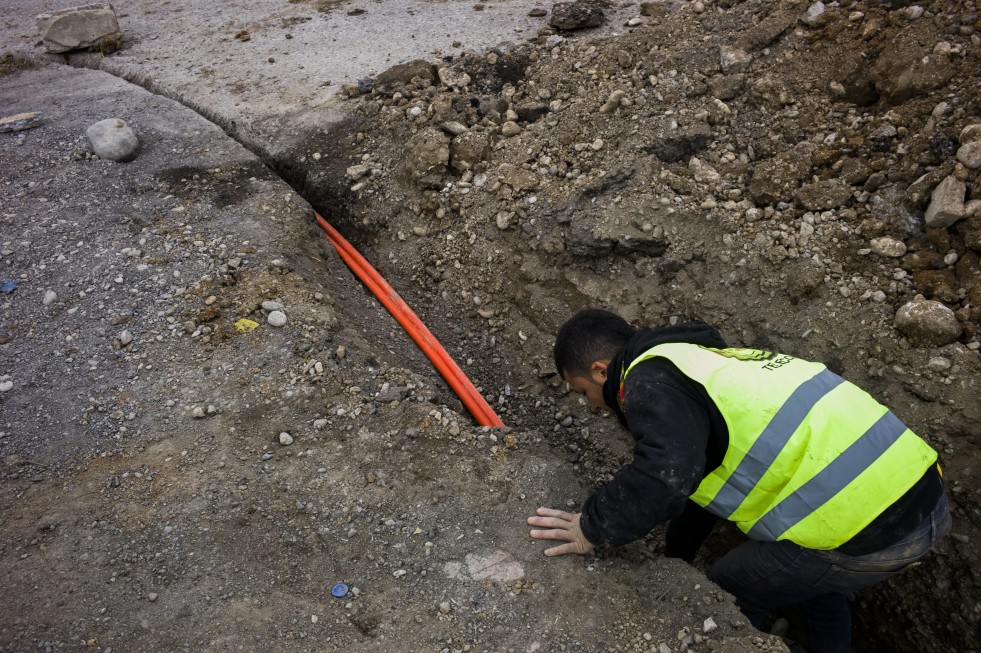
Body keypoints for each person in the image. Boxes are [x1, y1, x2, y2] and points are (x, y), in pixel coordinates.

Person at [527, 308, 950, 653]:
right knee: (816, 583)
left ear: (601, 371)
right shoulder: (705, 362)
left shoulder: (648, 381)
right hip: (922, 497)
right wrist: (676, 559)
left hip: (870, 532)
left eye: (583, 391)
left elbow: (666, 475)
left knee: (726, 588)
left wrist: (592, 526)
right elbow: (698, 484)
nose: (590, 405)